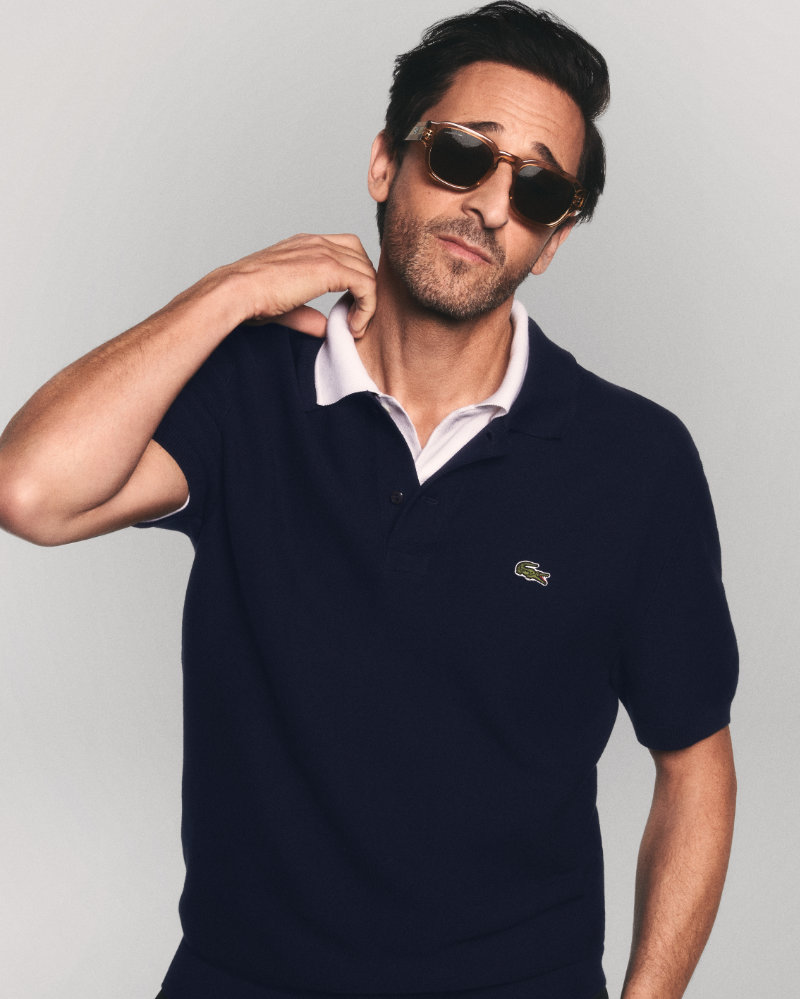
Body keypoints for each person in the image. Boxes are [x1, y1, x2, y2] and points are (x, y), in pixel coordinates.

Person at [0, 3, 738, 998]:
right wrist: (230, 292)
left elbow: (694, 761)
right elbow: (31, 490)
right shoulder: (250, 389)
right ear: (386, 162)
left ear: (551, 241)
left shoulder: (635, 460)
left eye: (536, 189)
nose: (490, 205)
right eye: (462, 155)